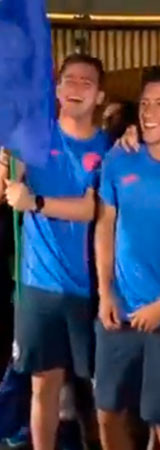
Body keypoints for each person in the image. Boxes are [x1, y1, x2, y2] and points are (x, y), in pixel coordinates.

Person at [0, 54, 109, 450]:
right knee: (44, 387)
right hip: (38, 287)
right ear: (56, 90)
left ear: (100, 95)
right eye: (68, 80)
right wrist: (8, 151)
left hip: (93, 287)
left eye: (86, 82)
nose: (75, 88)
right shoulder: (34, 139)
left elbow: (95, 208)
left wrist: (36, 202)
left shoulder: (109, 149)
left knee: (98, 393)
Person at [94, 68, 160, 449]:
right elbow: (105, 225)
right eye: (145, 104)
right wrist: (105, 291)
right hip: (119, 312)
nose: (148, 113)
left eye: (159, 105)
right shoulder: (120, 158)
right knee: (108, 412)